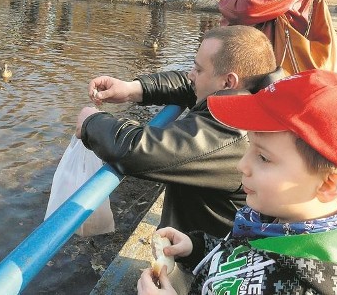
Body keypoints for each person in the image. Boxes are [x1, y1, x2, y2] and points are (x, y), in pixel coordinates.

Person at [138, 69, 337, 295]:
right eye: (249, 147)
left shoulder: (304, 286)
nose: (242, 165)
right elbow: (246, 253)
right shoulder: (285, 218)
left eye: (263, 157)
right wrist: (197, 248)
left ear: (328, 185)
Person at [75, 26, 283, 238]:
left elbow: (137, 150)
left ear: (228, 82)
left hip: (204, 259)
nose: (190, 75)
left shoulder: (230, 131)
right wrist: (133, 89)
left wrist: (91, 122)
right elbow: (188, 84)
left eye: (198, 69)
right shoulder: (259, 97)